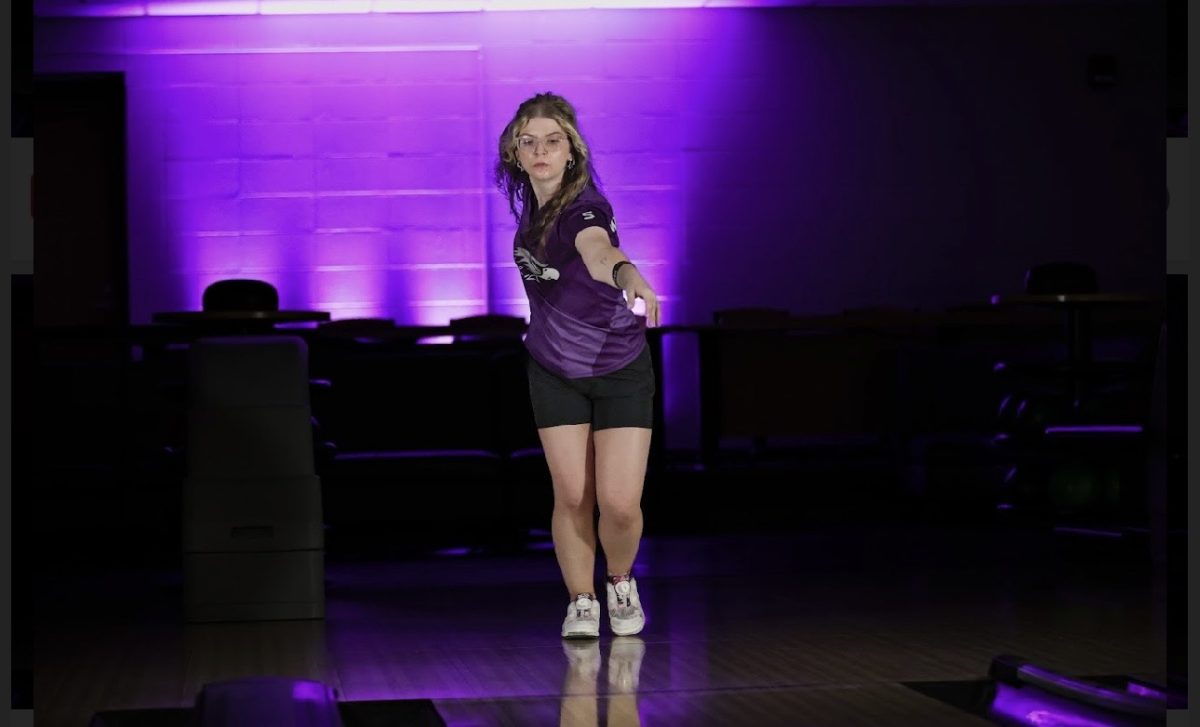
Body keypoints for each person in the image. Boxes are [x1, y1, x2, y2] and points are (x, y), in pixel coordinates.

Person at [496, 92, 660, 639]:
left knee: (617, 503)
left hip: (618, 366)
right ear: (517, 154)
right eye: (529, 141)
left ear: (571, 152)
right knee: (571, 495)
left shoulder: (586, 207)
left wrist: (628, 272)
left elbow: (597, 250)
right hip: (553, 366)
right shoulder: (531, 211)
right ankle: (582, 600)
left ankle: (618, 579)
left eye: (553, 140)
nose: (541, 150)